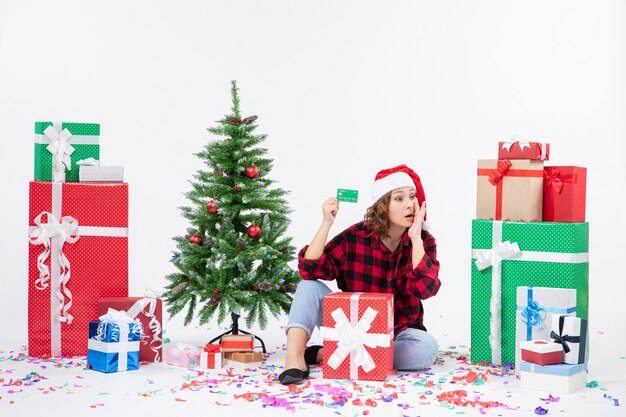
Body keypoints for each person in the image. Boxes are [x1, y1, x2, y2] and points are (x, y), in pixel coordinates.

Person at [278, 164, 441, 385]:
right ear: (383, 205)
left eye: (412, 196)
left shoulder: (423, 241)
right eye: (399, 198)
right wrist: (326, 222)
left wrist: (415, 240)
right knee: (308, 286)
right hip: (349, 325)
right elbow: (309, 270)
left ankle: (326, 354)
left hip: (397, 333)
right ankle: (295, 358)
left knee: (426, 348)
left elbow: (426, 289)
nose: (409, 205)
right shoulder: (356, 237)